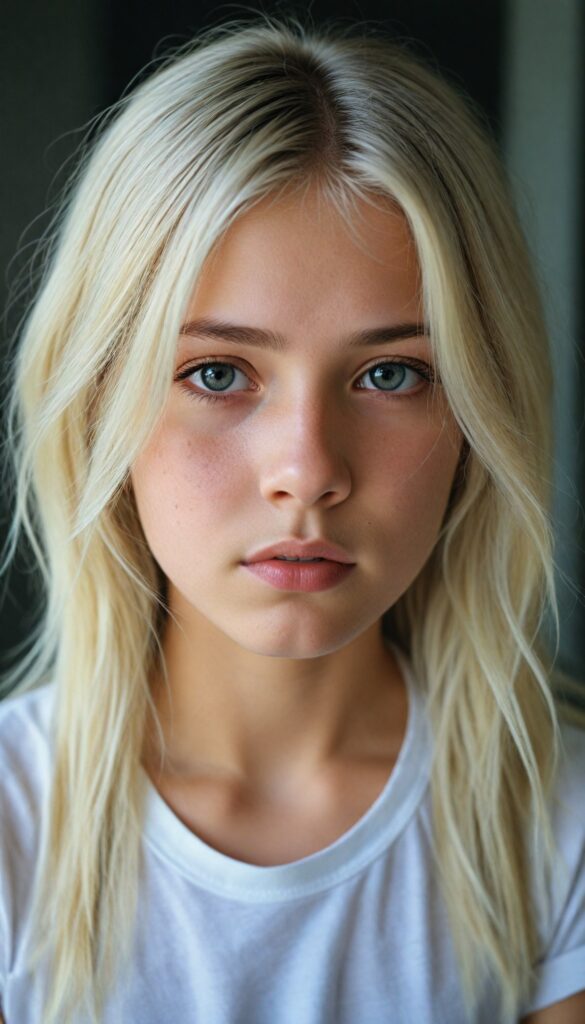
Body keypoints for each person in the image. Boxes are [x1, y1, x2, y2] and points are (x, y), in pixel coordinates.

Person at [0, 12, 583, 1024]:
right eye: (218, 373)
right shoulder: (14, 833)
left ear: (479, 415)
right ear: (97, 404)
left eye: (392, 373)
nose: (308, 472)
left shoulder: (558, 828)